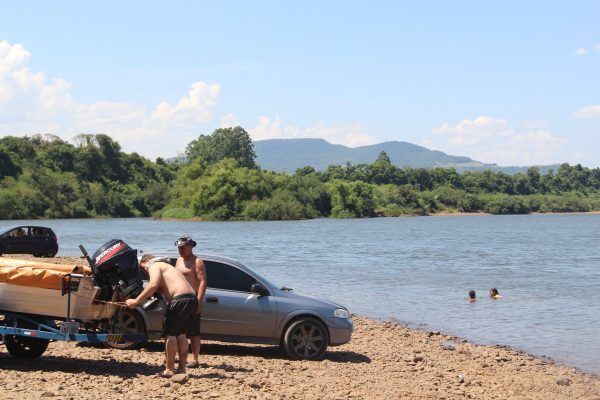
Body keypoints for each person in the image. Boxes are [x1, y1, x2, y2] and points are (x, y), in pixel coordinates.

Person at [126, 254, 197, 377]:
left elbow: (153, 285)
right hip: (191, 299)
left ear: (146, 261)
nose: (144, 271)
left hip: (179, 299)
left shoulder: (154, 265)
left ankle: (169, 370)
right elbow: (162, 287)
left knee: (170, 334)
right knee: (181, 334)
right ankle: (181, 369)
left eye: (142, 268)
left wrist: (136, 301)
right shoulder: (169, 267)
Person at [174, 236, 207, 369]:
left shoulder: (197, 261)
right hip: (178, 299)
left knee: (193, 332)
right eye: (179, 247)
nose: (180, 250)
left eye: (183, 247)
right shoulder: (178, 260)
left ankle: (195, 359)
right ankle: (181, 356)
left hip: (192, 299)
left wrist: (198, 301)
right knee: (177, 330)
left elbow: (203, 282)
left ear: (190, 247)